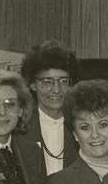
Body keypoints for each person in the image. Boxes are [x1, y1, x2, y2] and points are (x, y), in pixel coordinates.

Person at [21, 39, 79, 176]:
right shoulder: (21, 128)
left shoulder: (81, 124)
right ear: (32, 84)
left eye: (63, 81)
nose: (57, 90)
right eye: (47, 82)